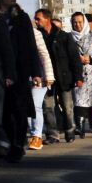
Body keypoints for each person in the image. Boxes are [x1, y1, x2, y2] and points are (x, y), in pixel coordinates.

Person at [0, 0, 49, 161]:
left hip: (20, 70)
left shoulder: (21, 17)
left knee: (20, 109)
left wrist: (36, 72)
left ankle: (18, 143)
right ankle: (8, 141)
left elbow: (30, 45)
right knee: (4, 110)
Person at [34, 9, 79, 143]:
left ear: (47, 19)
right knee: (48, 106)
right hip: (47, 77)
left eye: (38, 19)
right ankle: (52, 134)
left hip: (64, 77)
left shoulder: (64, 36)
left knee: (67, 106)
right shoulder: (37, 36)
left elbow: (74, 58)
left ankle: (70, 130)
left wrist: (78, 77)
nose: (36, 22)